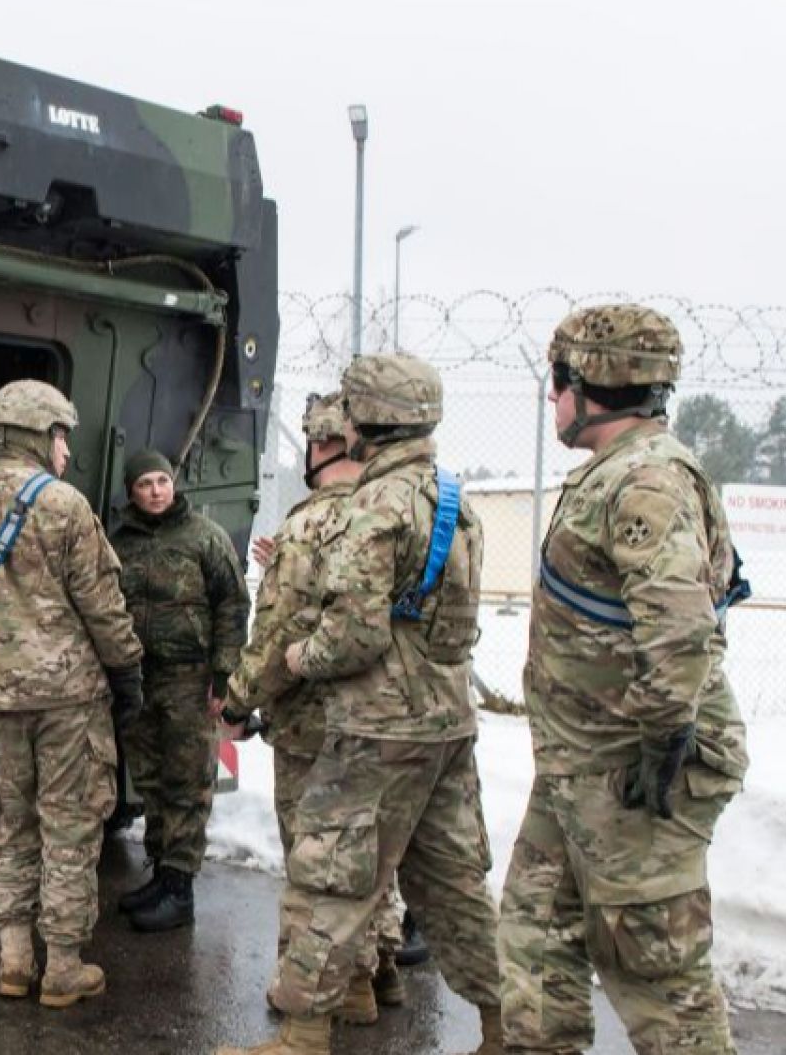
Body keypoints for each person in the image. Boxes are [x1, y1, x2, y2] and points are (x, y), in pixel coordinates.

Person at [218, 354, 501, 1055]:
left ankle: (303, 1033)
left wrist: (295, 659)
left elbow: (352, 636)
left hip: (375, 726)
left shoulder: (376, 507)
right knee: (453, 883)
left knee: (333, 879)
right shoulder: (456, 502)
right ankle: (507, 1028)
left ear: (363, 421)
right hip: (446, 720)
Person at [498, 305, 751, 1055]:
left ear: (588, 384)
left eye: (557, 383)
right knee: (536, 935)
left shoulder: (647, 481)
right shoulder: (617, 473)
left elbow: (677, 629)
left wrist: (662, 747)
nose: (552, 400)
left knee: (657, 978)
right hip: (582, 765)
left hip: (631, 771)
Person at [0, 379, 144, 1009]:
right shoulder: (64, 505)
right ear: (36, 435)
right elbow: (103, 606)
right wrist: (126, 672)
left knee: (9, 825)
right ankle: (65, 968)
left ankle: (14, 961)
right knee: (70, 829)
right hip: (67, 698)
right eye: (60, 435)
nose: (66, 451)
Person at [224, 392, 406, 1022]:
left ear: (323, 446)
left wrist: (237, 700)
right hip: (389, 719)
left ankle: (316, 993)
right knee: (369, 852)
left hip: (312, 725)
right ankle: (375, 971)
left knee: (313, 859)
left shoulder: (309, 525)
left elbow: (277, 637)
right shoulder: (395, 514)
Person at [108, 449, 249, 932]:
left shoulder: (204, 536)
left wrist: (224, 673)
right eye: (145, 482)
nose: (155, 491)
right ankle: (161, 872)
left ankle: (180, 887)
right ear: (131, 490)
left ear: (174, 485)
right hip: (139, 678)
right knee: (150, 780)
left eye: (162, 481)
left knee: (188, 782)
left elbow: (232, 604)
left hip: (190, 679)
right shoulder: (118, 542)